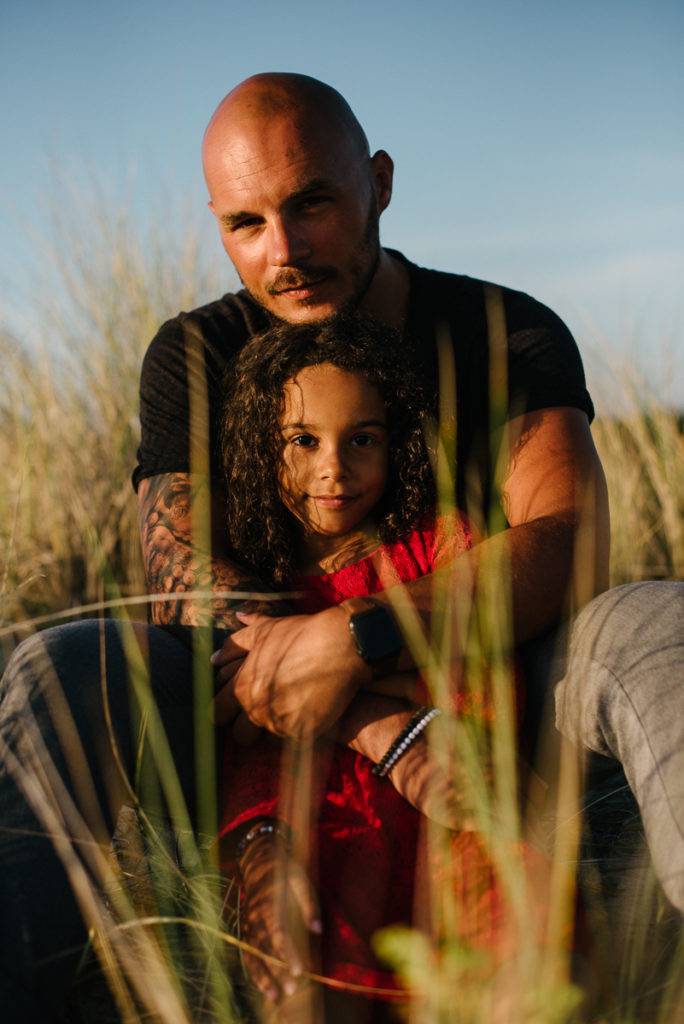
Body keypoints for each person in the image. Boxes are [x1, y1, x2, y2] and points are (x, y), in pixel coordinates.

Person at [0, 71, 682, 1022]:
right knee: (54, 667)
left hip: (504, 689)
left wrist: (361, 634)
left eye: (311, 203)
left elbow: (569, 541)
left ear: (381, 183)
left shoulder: (502, 330)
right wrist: (378, 720)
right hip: (252, 721)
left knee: (662, 625)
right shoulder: (197, 352)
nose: (283, 252)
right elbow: (180, 587)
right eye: (245, 223)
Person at [215, 313, 545, 1012]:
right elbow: (246, 740)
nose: (334, 467)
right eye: (302, 441)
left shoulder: (438, 550)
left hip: (453, 823)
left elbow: (488, 682)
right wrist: (260, 846)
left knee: (520, 967)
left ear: (398, 442)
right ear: (259, 447)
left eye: (361, 439)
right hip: (320, 832)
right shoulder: (258, 597)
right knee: (301, 979)